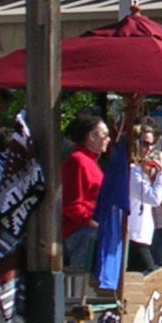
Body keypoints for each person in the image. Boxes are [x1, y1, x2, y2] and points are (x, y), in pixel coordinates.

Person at [61, 112, 109, 272]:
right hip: (81, 232)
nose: (108, 139)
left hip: (90, 229)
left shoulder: (90, 161)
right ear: (92, 137)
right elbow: (71, 204)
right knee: (82, 281)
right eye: (105, 135)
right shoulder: (78, 160)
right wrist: (92, 222)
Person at [125, 124, 162, 275]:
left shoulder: (139, 170)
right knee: (151, 277)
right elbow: (153, 198)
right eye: (144, 144)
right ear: (135, 144)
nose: (149, 149)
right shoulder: (132, 171)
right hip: (134, 237)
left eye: (152, 144)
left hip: (144, 236)